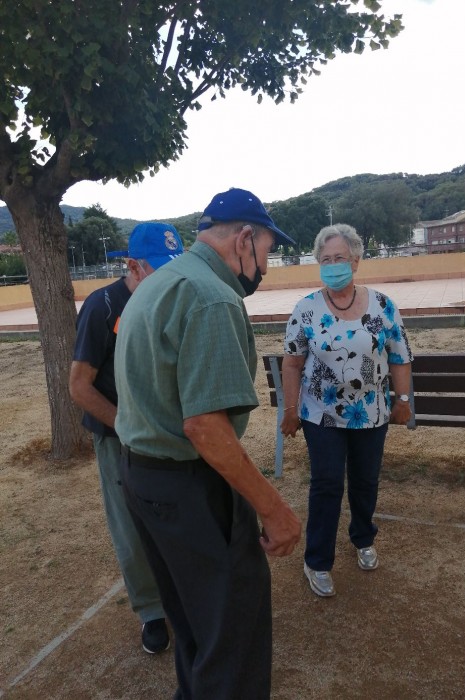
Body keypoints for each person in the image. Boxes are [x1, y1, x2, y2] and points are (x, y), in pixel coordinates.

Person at [114, 188, 302, 700]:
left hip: (143, 476)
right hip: (190, 486)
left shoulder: (158, 283)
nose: (266, 267)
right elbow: (205, 428)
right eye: (267, 251)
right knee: (232, 638)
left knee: (195, 625)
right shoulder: (212, 297)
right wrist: (274, 509)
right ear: (245, 239)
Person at [69, 222, 184, 652]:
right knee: (130, 527)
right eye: (160, 269)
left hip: (166, 434)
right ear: (133, 267)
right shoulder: (101, 306)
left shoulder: (170, 301)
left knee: (175, 516)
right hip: (118, 436)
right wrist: (125, 425)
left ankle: (181, 593)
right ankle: (151, 610)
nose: (171, 279)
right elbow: (79, 387)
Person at [281, 223, 413, 598]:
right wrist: (290, 409)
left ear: (355, 261)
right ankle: (317, 561)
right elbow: (292, 363)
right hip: (320, 413)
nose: (332, 265)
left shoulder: (383, 306)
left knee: (365, 480)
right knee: (326, 484)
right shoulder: (306, 309)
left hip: (370, 412)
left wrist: (403, 401)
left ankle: (363, 537)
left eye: (339, 258)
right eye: (325, 259)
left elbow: (400, 356)